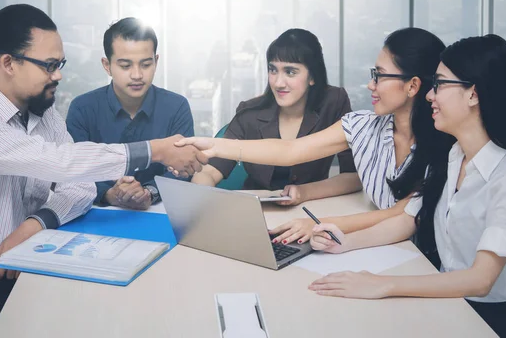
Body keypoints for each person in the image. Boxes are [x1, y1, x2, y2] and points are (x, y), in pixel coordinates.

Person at [0, 1, 206, 338]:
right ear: (8, 63)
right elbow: (58, 162)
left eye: (60, 64)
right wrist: (156, 150)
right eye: (49, 65)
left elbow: (79, 185)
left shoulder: (43, 116)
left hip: (26, 272)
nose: (58, 75)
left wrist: (37, 223)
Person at [308, 35, 506, 338]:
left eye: (439, 85)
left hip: (495, 320)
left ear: (473, 94)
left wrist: (383, 284)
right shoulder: (454, 155)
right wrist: (345, 242)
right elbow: (408, 218)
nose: (430, 96)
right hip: (449, 301)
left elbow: (481, 280)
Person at [179, 27, 452, 245]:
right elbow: (290, 151)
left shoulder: (443, 143)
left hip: (422, 254)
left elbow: (400, 215)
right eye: (273, 69)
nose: (370, 84)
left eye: (378, 76)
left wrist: (319, 223)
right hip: (376, 242)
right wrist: (215, 145)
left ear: (413, 85)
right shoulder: (362, 126)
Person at [191, 29, 361, 204]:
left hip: (312, 212)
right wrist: (200, 198)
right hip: (256, 212)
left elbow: (354, 176)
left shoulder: (333, 103)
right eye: (273, 70)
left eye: (290, 72)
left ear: (312, 76)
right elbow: (209, 172)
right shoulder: (249, 113)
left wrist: (306, 192)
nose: (279, 83)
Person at [67, 17, 194, 210]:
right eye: (125, 66)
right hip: (96, 216)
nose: (137, 75)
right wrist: (110, 194)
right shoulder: (83, 108)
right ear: (106, 65)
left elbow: (185, 168)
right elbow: (74, 170)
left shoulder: (176, 106)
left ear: (156, 61)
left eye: (145, 64)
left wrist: (149, 192)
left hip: (160, 213)